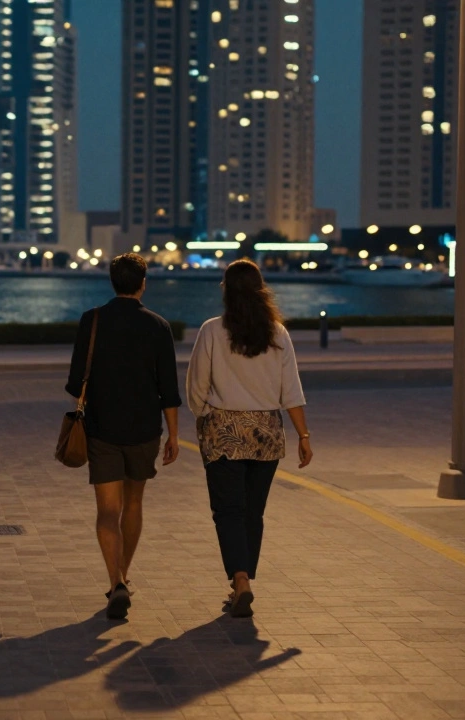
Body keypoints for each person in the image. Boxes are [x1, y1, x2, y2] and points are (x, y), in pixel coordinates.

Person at [186, 259, 312, 618]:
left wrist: (204, 412)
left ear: (226, 290)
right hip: (266, 435)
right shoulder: (277, 333)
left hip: (224, 433)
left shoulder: (212, 330)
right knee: (252, 512)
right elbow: (292, 391)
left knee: (228, 511)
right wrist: (303, 435)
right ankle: (246, 582)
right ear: (261, 290)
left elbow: (196, 385)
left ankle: (239, 580)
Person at [66, 252, 181, 620]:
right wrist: (174, 435)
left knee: (107, 511)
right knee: (133, 505)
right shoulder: (159, 326)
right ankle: (124, 578)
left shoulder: (92, 320)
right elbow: (169, 390)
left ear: (112, 282)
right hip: (145, 429)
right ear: (143, 283)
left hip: (102, 429)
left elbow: (74, 383)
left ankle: (115, 581)